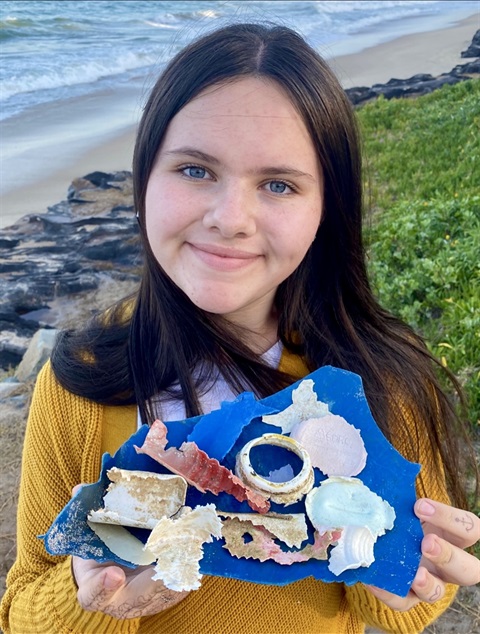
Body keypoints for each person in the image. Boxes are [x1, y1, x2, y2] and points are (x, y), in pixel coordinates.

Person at [1, 22, 479, 634]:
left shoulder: (375, 375)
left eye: (278, 185)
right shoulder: (85, 382)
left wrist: (403, 570)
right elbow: (22, 611)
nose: (231, 219)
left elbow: (403, 603)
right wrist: (90, 595)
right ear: (144, 178)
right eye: (196, 170)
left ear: (326, 208)